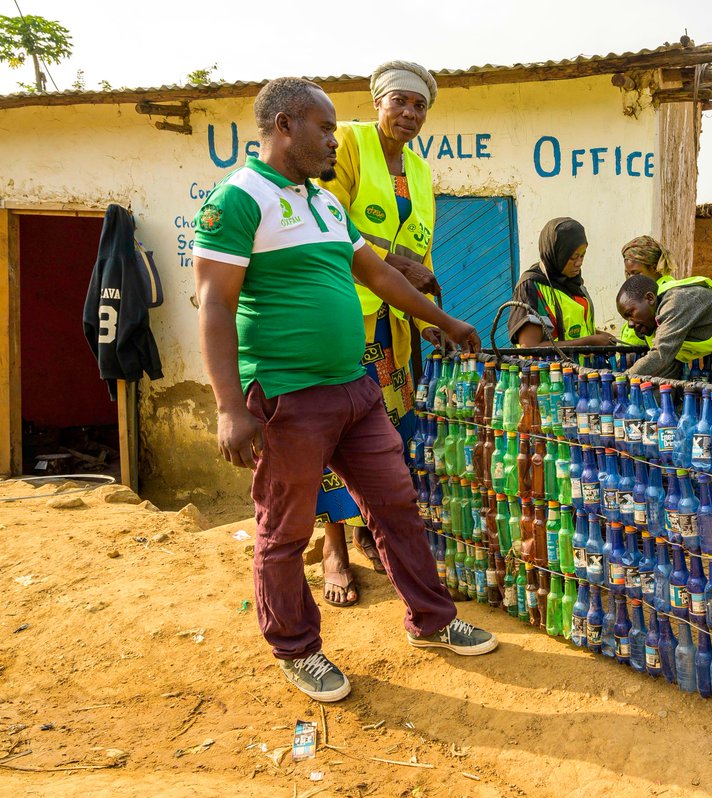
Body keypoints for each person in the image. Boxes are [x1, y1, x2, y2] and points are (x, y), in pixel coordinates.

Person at [193, 77, 497, 704]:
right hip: (285, 396)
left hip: (355, 389)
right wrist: (228, 406)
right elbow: (214, 304)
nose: (336, 139)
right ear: (283, 125)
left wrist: (446, 321)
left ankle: (432, 620)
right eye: (325, 127)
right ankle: (297, 649)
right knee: (284, 531)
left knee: (396, 507)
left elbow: (380, 274)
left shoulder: (325, 205)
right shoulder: (237, 200)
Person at [314, 60, 443, 608]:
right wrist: (395, 263)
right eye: (400, 101)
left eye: (420, 106)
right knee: (336, 429)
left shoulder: (419, 171)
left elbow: (423, 251)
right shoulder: (347, 144)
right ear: (377, 102)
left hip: (393, 324)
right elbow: (325, 215)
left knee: (388, 430)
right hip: (344, 314)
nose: (410, 113)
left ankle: (371, 528)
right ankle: (332, 546)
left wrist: (430, 314)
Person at [507, 217, 618, 347]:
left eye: (582, 255)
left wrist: (599, 335)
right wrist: (589, 342)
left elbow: (570, 330)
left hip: (583, 366)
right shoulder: (531, 287)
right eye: (573, 257)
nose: (579, 263)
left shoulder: (574, 283)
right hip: (552, 367)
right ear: (556, 253)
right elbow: (530, 347)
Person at [617, 235, 675, 346]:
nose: (631, 279)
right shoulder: (638, 296)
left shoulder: (665, 293)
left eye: (636, 273)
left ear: (654, 268)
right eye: (628, 274)